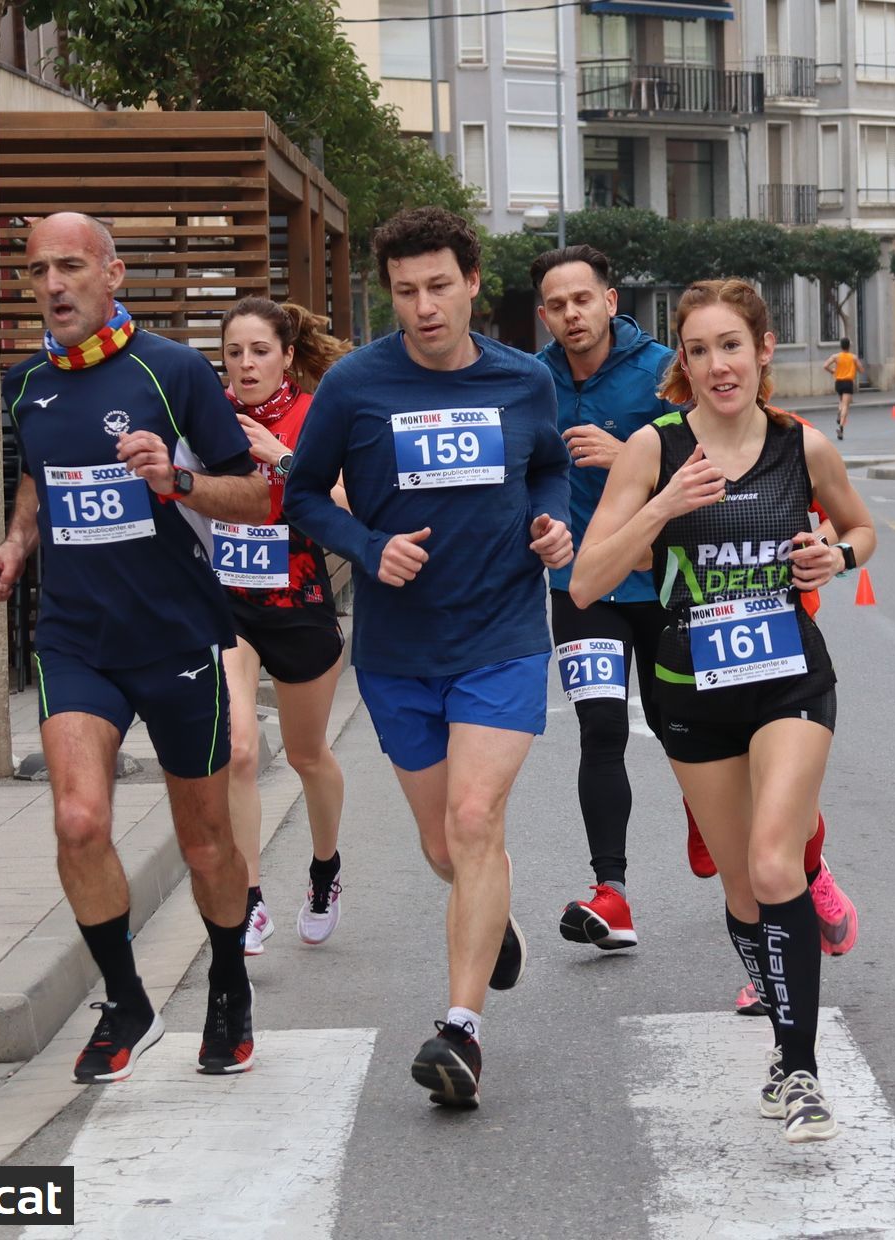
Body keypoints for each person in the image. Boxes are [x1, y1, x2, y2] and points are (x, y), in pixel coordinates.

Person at [571, 279, 878, 1144]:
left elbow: (860, 529)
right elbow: (588, 580)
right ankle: (785, 1038)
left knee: (777, 865)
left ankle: (800, 1070)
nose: (718, 365)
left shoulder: (802, 445)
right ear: (684, 361)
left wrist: (835, 555)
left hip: (790, 682)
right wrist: (665, 505)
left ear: (763, 349)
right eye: (699, 350)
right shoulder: (653, 448)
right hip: (692, 693)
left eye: (731, 346)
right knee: (743, 888)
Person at [281, 207, 572, 1109]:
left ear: (473, 282)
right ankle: (492, 916)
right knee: (445, 845)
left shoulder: (524, 380)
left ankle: (460, 1031)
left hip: (502, 634)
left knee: (476, 818)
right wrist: (368, 548)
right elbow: (302, 496)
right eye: (406, 292)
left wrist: (554, 522)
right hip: (400, 649)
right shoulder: (355, 385)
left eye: (440, 286)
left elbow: (550, 468)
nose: (425, 306)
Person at [0, 213, 271, 1082]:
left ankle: (228, 986)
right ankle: (128, 1000)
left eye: (70, 266)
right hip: (76, 638)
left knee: (206, 842)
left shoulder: (172, 371)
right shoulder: (27, 385)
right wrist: (16, 545)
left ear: (113, 274)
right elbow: (39, 479)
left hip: (174, 635)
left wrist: (175, 479)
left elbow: (254, 495)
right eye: (37, 271)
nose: (52, 285)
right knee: (78, 821)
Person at [531, 244, 675, 950]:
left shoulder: (664, 371)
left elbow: (723, 457)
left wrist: (633, 458)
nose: (572, 315)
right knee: (601, 729)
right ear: (544, 315)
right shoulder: (533, 381)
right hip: (581, 586)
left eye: (583, 299)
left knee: (686, 730)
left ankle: (715, 827)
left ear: (610, 301)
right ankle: (611, 893)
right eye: (557, 305)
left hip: (669, 582)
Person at [214, 298, 353, 953]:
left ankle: (325, 869)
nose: (246, 364)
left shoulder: (316, 415)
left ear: (287, 356)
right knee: (239, 749)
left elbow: (350, 504)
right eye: (234, 352)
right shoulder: (208, 415)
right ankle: (249, 901)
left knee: (307, 755)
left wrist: (282, 456)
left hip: (300, 604)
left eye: (260, 351)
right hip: (228, 604)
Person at [822, 338, 864, 440]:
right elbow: (861, 370)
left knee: (841, 401)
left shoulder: (836, 356)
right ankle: (841, 427)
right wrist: (855, 368)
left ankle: (839, 411)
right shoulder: (853, 357)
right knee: (845, 405)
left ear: (841, 346)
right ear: (849, 346)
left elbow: (825, 365)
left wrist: (833, 371)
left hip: (838, 382)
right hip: (848, 382)